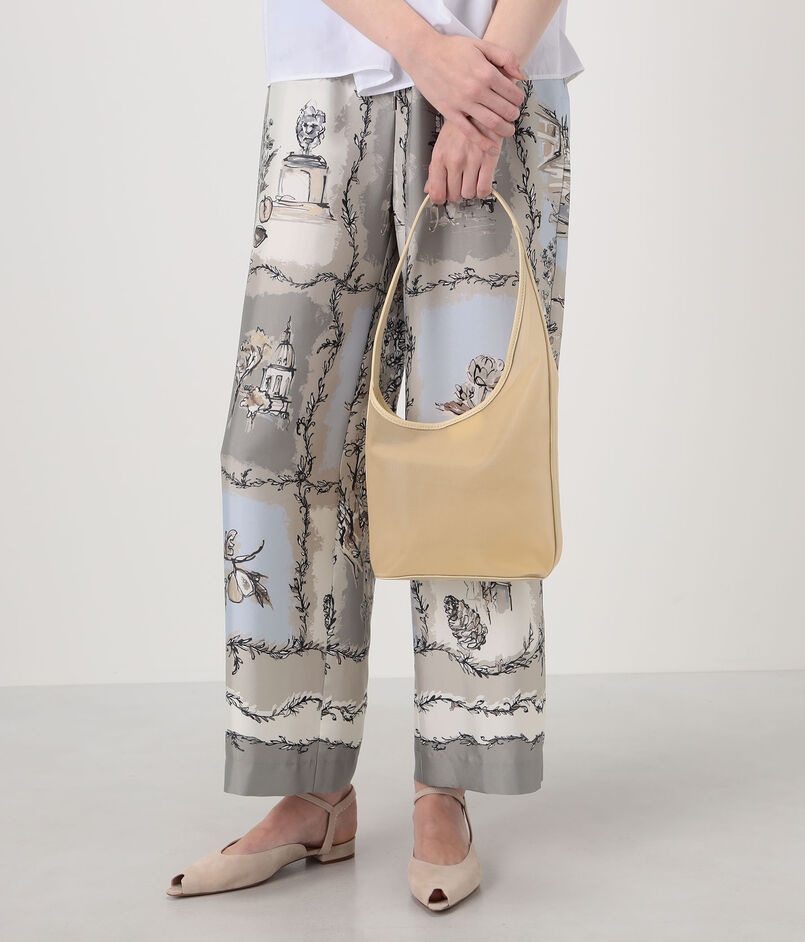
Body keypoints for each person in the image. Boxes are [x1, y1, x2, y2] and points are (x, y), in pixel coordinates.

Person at [167, 0, 582, 910]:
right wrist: (418, 47)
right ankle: (310, 789)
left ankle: (448, 786)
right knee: (279, 442)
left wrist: (480, 89)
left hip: (501, 79)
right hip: (326, 76)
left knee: (470, 438)